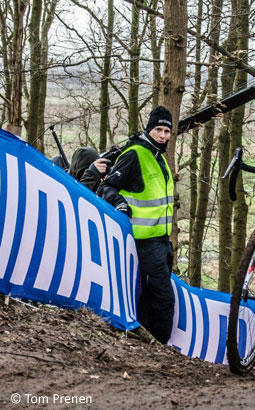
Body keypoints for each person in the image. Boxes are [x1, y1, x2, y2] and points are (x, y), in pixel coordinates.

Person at [98, 106, 175, 344]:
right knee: (162, 298)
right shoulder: (135, 154)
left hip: (162, 242)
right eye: (158, 130)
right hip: (144, 243)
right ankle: (160, 348)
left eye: (167, 131)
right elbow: (106, 187)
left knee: (151, 299)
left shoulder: (159, 157)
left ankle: (149, 346)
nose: (163, 135)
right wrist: (120, 204)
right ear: (149, 129)